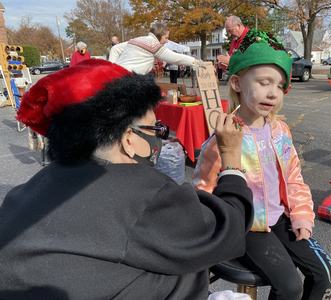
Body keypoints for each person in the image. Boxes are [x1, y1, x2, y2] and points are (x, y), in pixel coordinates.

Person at [0, 59, 253, 299]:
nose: (160, 139)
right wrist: (230, 157)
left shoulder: (31, 187)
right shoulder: (143, 193)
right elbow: (226, 228)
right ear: (127, 138)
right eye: (156, 129)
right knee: (185, 268)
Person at [193, 30, 331, 300]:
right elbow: (203, 190)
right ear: (237, 83)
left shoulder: (280, 131)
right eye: (263, 82)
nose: (273, 93)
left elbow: (293, 177)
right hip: (248, 227)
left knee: (325, 275)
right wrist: (215, 236)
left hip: (281, 218)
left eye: (280, 85)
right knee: (290, 287)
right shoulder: (225, 138)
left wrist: (302, 215)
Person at [109, 22, 204, 74]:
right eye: (166, 37)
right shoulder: (154, 45)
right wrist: (196, 62)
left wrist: (112, 68)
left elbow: (115, 49)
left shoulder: (136, 39)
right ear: (159, 35)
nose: (167, 41)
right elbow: (176, 58)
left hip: (117, 76)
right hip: (129, 80)